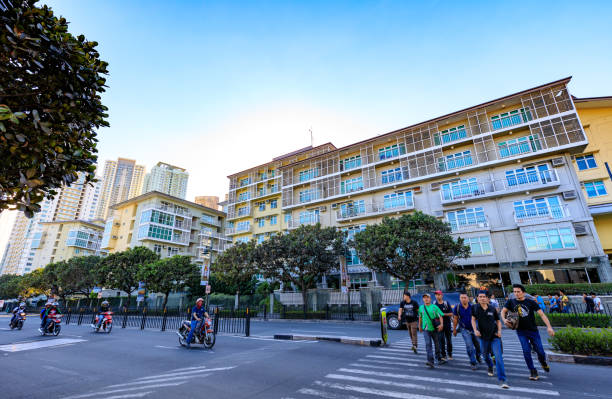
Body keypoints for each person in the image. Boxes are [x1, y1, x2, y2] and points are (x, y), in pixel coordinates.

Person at [502, 284, 555, 381]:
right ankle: (532, 370)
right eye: (515, 292)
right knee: (526, 351)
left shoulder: (530, 302)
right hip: (521, 331)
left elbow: (542, 315)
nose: (516, 294)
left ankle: (543, 362)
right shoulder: (511, 302)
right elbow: (503, 311)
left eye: (518, 291)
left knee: (540, 351)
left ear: (524, 292)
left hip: (533, 330)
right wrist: (504, 320)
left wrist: (549, 327)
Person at [472, 290, 508, 389]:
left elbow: (498, 321)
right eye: (480, 297)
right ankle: (490, 366)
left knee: (498, 357)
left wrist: (499, 331)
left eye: (484, 297)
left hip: (494, 336)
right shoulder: (475, 308)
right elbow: (473, 319)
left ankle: (502, 379)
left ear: (487, 298)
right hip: (483, 337)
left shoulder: (492, 309)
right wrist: (475, 330)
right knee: (484, 355)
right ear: (477, 298)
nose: (482, 298)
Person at [452, 293, 479, 370]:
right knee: (469, 345)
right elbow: (455, 319)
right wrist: (454, 329)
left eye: (464, 297)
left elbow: (478, 318)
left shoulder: (473, 307)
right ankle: (473, 362)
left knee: (478, 345)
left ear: (468, 298)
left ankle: (478, 355)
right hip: (464, 329)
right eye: (461, 297)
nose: (463, 299)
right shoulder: (457, 308)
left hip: (475, 329)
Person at [418, 293, 445, 368]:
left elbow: (440, 316)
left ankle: (439, 358)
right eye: (424, 298)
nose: (426, 299)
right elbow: (420, 317)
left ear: (430, 299)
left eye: (427, 297)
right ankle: (430, 361)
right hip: (426, 329)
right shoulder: (421, 307)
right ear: (423, 299)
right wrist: (419, 326)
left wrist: (441, 324)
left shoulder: (434, 307)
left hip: (434, 329)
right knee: (428, 344)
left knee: (437, 344)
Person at [434, 290, 453, 361]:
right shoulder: (434, 304)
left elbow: (451, 313)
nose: (437, 296)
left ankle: (450, 353)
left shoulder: (446, 303)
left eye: (439, 295)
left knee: (449, 340)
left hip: (447, 324)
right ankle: (443, 355)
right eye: (436, 295)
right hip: (439, 325)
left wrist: (442, 314)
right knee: (441, 340)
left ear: (442, 296)